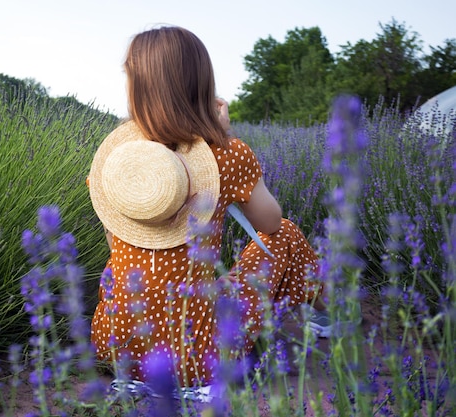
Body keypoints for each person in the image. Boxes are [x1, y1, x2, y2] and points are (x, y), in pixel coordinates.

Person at [87, 25, 325, 388]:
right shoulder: (226, 155)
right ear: (200, 83)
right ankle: (327, 314)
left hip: (114, 347)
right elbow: (271, 222)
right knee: (286, 234)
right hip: (195, 360)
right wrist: (224, 138)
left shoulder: (118, 161)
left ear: (138, 86)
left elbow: (118, 245)